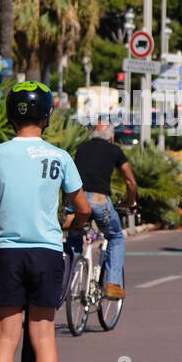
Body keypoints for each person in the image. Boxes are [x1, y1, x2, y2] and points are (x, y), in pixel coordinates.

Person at [0, 81, 92, 362]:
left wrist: (0, 219)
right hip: (46, 252)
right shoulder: (59, 156)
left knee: (6, 337)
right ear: (47, 116)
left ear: (10, 115)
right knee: (43, 337)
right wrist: (72, 223)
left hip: (9, 253)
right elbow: (82, 208)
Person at [70, 119, 137, 299]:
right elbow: (130, 181)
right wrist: (131, 202)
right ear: (111, 137)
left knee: (74, 236)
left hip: (76, 199)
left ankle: (70, 277)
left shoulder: (82, 147)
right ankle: (113, 284)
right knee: (115, 236)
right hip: (98, 200)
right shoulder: (114, 150)